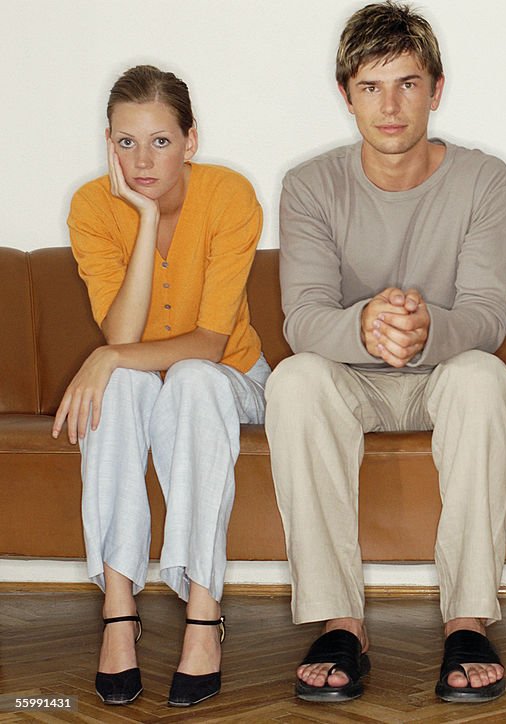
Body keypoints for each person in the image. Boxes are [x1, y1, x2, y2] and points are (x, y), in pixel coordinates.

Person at [265, 1, 506, 704]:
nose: (390, 105)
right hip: (351, 381)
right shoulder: (310, 185)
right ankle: (340, 621)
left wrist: (424, 328)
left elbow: (485, 314)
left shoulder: (486, 181)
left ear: (436, 90)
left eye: (407, 83)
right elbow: (304, 317)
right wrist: (368, 324)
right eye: (371, 86)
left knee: (485, 380)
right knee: (293, 381)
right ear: (346, 95)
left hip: (445, 376)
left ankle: (466, 619)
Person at [54, 64, 268, 708]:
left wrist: (110, 357)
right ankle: (119, 611)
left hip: (230, 377)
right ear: (108, 143)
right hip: (145, 383)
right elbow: (119, 331)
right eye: (126, 142)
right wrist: (144, 219)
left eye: (161, 141)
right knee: (115, 389)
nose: (142, 160)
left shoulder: (230, 195)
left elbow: (208, 342)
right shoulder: (94, 207)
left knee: (194, 379)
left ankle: (205, 613)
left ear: (191, 141)